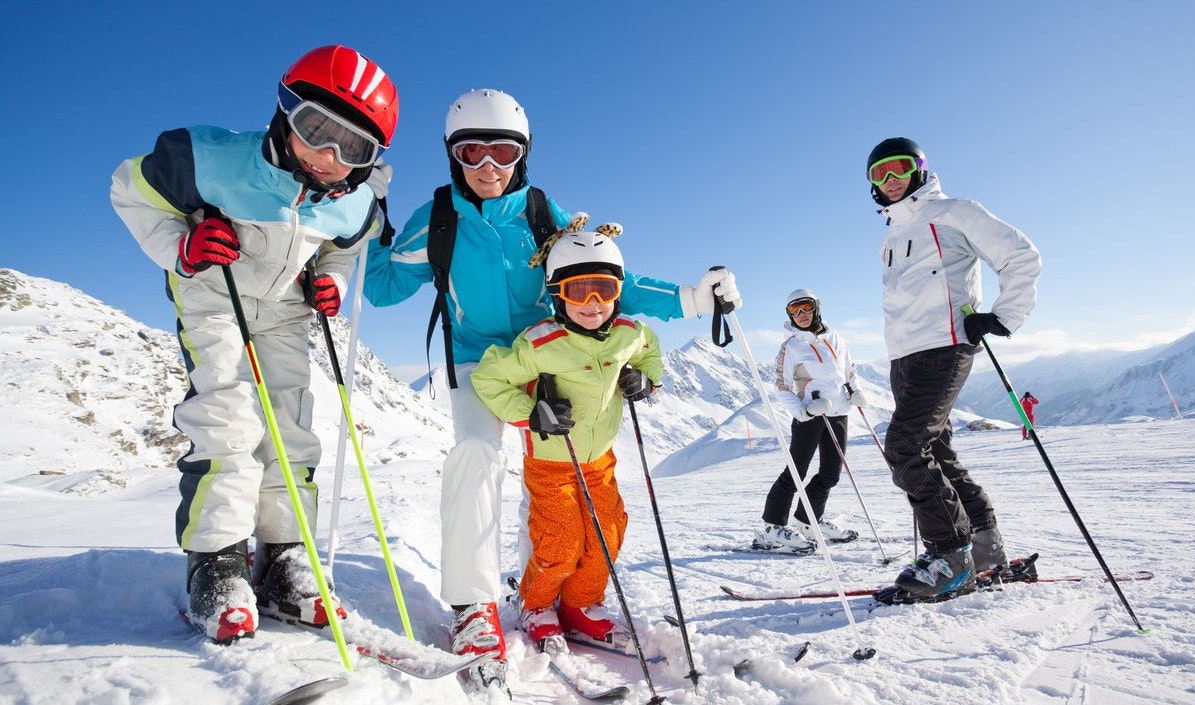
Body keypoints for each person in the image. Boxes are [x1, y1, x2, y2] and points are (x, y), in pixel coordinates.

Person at [363, 88, 739, 689]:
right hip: (481, 364)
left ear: (524, 154)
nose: (488, 167)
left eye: (503, 152)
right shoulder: (437, 219)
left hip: (556, 357)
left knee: (560, 480)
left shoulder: (543, 212)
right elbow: (380, 289)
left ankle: (545, 589)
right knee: (478, 455)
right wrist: (366, 211)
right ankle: (474, 605)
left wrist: (692, 299)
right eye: (471, 152)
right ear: (452, 157)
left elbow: (601, 275)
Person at [110, 45, 398, 643]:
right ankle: (217, 563)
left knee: (291, 427)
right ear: (285, 111)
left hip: (286, 312)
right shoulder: (207, 159)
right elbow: (130, 190)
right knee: (228, 419)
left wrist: (333, 280)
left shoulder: (355, 200)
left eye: (355, 150)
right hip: (216, 296)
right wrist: (182, 248)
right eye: (316, 130)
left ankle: (286, 558)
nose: (328, 157)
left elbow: (347, 247)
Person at [471, 219, 662, 648]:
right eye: (578, 291)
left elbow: (651, 353)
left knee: (607, 533)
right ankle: (536, 604)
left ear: (618, 291)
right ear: (558, 294)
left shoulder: (630, 335)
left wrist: (645, 381)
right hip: (551, 464)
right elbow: (488, 378)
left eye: (604, 290)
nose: (592, 303)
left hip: (600, 462)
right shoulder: (541, 343)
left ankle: (580, 605)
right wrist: (532, 412)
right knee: (561, 539)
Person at [867, 137, 1042, 600]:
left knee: (904, 445)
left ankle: (950, 555)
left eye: (898, 168)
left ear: (919, 169)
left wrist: (1003, 316)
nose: (889, 180)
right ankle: (985, 547)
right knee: (935, 451)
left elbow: (1020, 255)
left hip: (944, 347)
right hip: (904, 357)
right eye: (878, 174)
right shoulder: (889, 235)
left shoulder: (953, 212)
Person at [753, 289, 865, 553]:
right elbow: (781, 387)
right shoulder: (791, 346)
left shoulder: (836, 337)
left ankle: (808, 520)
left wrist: (855, 390)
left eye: (805, 307)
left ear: (816, 308)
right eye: (794, 310)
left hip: (838, 413)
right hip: (810, 416)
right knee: (796, 472)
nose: (801, 315)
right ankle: (772, 526)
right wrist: (804, 411)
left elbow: (849, 370)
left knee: (830, 474)